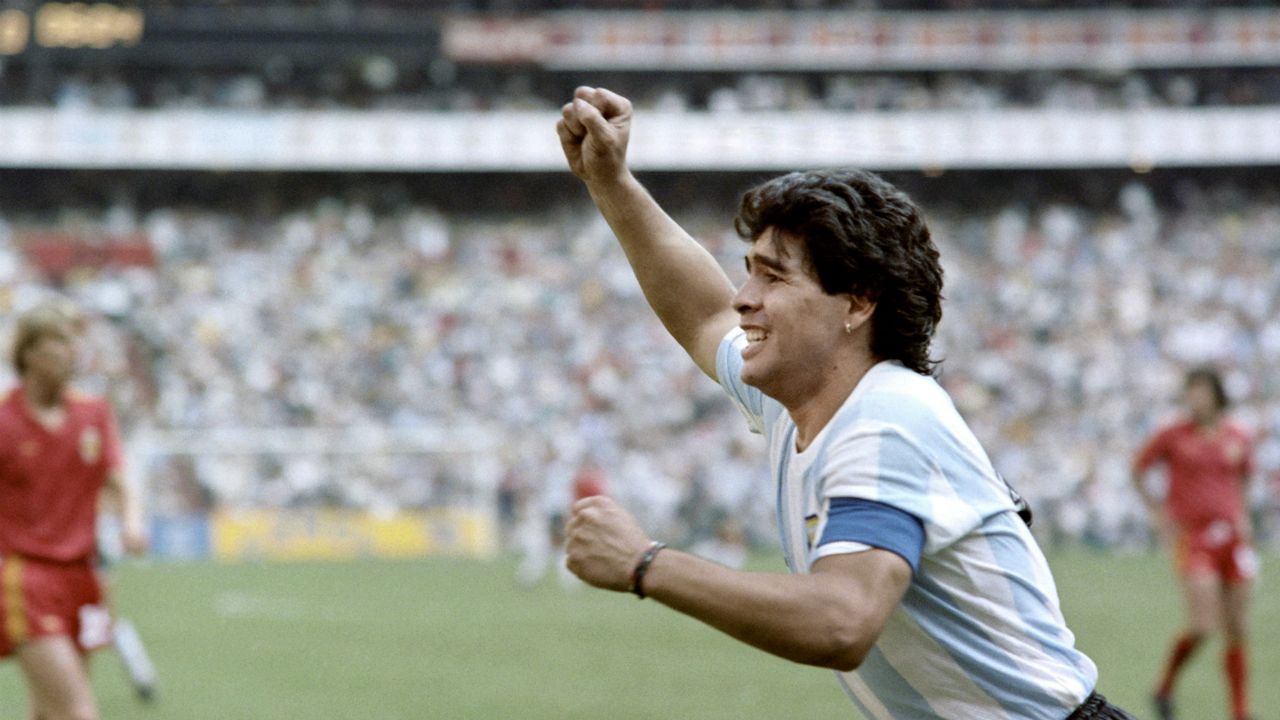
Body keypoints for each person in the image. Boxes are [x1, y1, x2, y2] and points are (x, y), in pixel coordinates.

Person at [556, 86, 1134, 720]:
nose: (744, 297)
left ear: (857, 304)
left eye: (772, 276)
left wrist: (646, 564)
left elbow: (842, 623)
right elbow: (701, 314)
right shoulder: (802, 398)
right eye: (749, 270)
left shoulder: (884, 421)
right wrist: (610, 182)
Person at [0, 301, 148, 720]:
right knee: (78, 713)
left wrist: (132, 521)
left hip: (85, 578)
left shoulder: (93, 413)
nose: (73, 351)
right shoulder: (4, 420)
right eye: (60, 341)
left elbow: (119, 477)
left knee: (49, 709)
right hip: (27, 579)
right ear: (29, 352)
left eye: (75, 341)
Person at [1133, 368, 1257, 720]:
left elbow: (1244, 477)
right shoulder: (1172, 434)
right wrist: (1157, 511)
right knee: (1204, 625)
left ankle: (1240, 712)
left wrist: (1243, 515)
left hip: (1231, 537)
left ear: (1216, 394)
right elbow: (1139, 467)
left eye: (1200, 391)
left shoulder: (1237, 435)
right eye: (1190, 391)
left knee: (1237, 626)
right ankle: (1165, 685)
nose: (1194, 398)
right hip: (1194, 537)